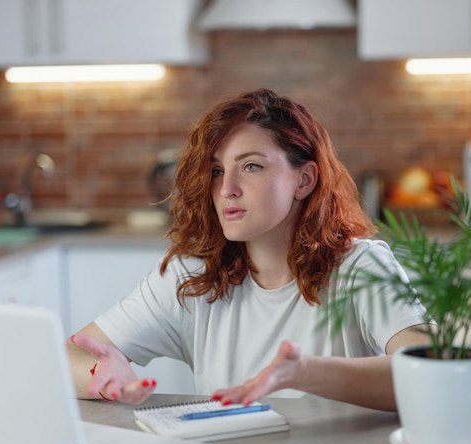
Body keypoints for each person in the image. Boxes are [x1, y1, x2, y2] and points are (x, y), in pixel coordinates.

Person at [67, 88, 428, 411]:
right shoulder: (193, 277)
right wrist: (102, 373)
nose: (227, 189)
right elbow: (70, 357)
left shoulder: (360, 267)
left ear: (304, 180)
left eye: (251, 166)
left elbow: (430, 372)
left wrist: (304, 373)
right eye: (217, 170)